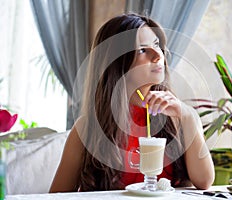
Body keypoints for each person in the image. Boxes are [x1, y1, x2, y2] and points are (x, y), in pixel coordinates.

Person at [49, 13, 214, 192]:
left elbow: (204, 182)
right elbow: (57, 195)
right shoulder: (87, 129)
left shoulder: (181, 117)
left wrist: (187, 115)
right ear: (116, 63)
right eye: (142, 50)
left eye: (157, 45)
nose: (158, 55)